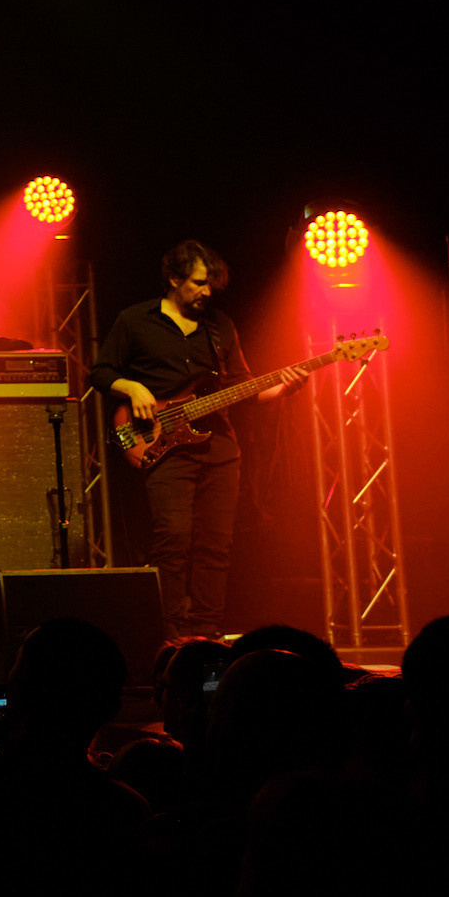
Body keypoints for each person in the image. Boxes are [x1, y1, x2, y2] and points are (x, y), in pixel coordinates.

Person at [89, 240, 304, 638]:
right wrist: (133, 387)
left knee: (216, 546)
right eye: (199, 283)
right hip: (164, 448)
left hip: (220, 449)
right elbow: (99, 373)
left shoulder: (219, 326)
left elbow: (243, 388)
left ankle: (206, 633)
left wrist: (282, 390)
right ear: (174, 279)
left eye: (211, 285)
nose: (207, 292)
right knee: (173, 541)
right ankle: (173, 635)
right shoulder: (135, 321)